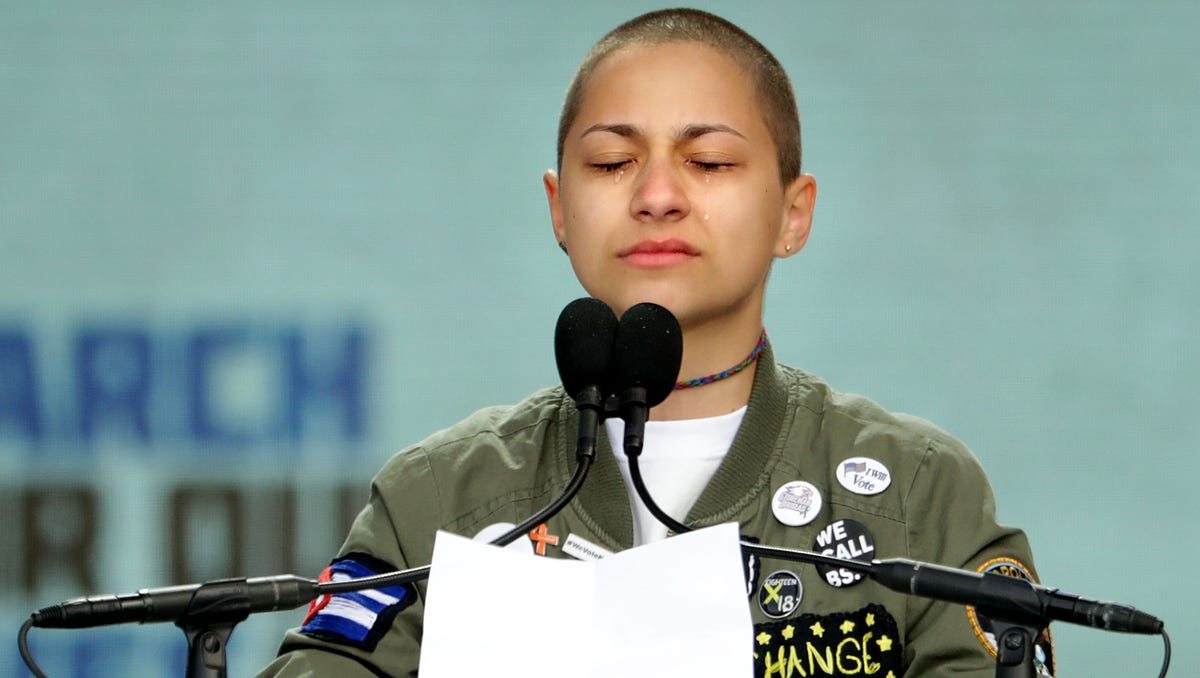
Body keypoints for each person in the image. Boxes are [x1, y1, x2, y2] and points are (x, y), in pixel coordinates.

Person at [260, 8, 1053, 677]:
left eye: (708, 161)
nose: (658, 196)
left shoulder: (920, 495)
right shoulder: (438, 498)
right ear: (559, 208)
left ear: (793, 213)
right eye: (613, 163)